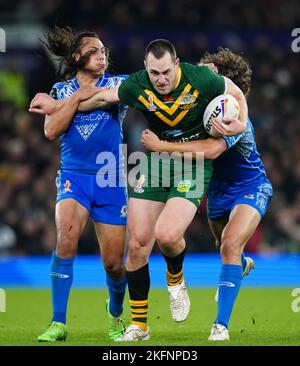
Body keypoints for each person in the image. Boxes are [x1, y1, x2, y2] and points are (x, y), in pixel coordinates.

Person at [30, 39, 249, 342]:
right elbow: (95, 100)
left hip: (186, 163)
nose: (161, 80)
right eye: (155, 73)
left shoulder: (200, 79)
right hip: (144, 165)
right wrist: (56, 104)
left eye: (166, 72)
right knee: (135, 246)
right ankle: (138, 326)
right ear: (146, 68)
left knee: (165, 238)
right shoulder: (136, 84)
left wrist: (239, 125)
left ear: (177, 65)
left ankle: (175, 279)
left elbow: (235, 94)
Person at [140, 48, 273, 341]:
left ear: (217, 73)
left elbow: (212, 150)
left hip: (250, 187)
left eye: (202, 71)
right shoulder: (196, 109)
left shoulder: (229, 110)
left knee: (228, 244)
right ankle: (241, 265)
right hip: (216, 192)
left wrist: (161, 146)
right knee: (223, 245)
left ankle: (221, 326)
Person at [29, 26, 128, 342]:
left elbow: (102, 100)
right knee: (65, 240)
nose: (102, 55)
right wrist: (74, 97)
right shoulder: (60, 89)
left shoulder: (118, 84)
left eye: (104, 51)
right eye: (95, 50)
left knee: (113, 265)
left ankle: (114, 315)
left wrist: (73, 100)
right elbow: (51, 130)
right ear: (76, 57)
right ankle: (58, 322)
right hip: (74, 177)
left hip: (110, 179)